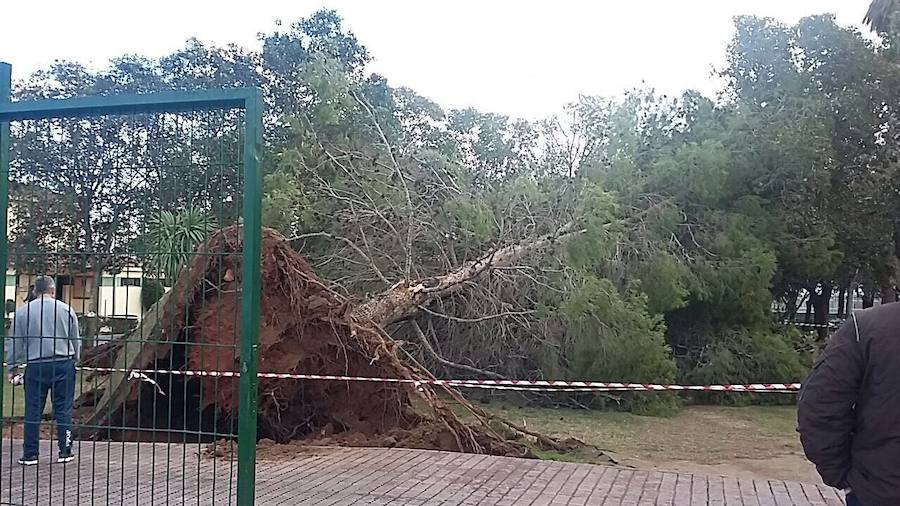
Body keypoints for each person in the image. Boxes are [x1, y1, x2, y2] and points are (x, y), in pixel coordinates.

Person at [797, 305, 900, 506]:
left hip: (877, 488)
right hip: (879, 488)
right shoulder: (866, 329)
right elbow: (820, 407)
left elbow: (818, 407)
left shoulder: (867, 327)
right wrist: (843, 474)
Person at [5, 275, 80, 466]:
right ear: (53, 290)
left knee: (33, 410)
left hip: (36, 364)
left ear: (34, 291)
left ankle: (30, 454)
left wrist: (12, 366)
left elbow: (15, 342)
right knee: (63, 409)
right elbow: (75, 339)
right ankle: (65, 450)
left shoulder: (23, 313)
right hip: (63, 362)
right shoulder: (66, 309)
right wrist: (75, 360)